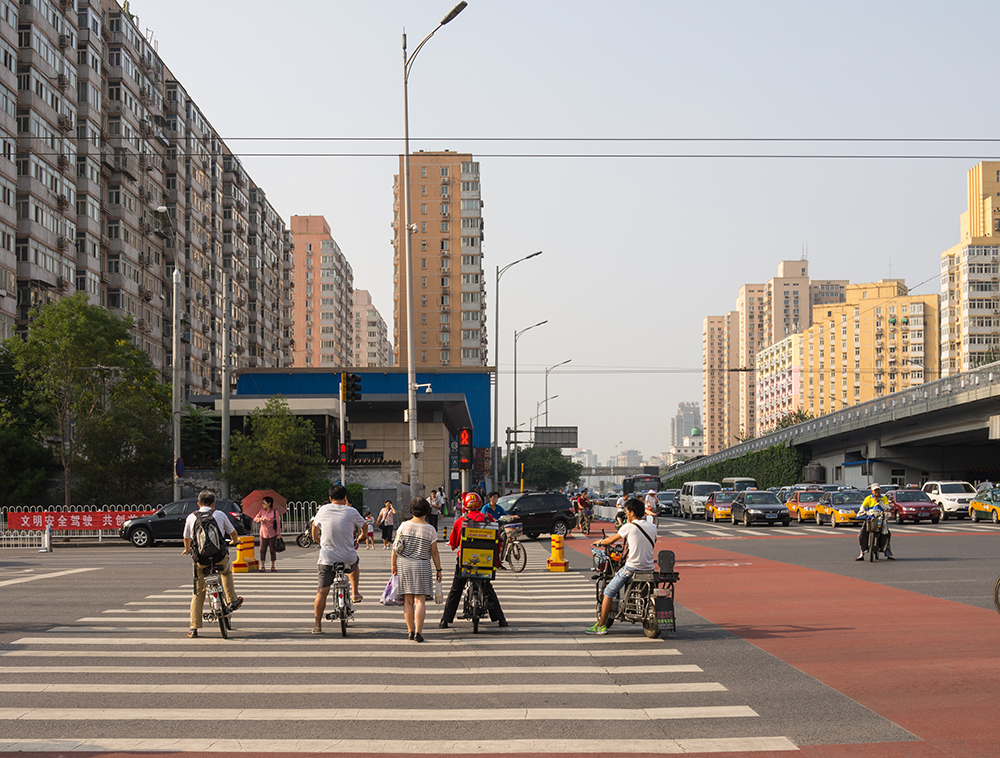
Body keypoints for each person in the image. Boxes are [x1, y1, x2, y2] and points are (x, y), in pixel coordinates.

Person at [586, 497, 656, 635]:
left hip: (632, 568)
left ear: (632, 513)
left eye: (627, 512)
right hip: (649, 568)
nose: (626, 515)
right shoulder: (653, 527)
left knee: (608, 592)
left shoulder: (629, 526)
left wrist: (599, 542)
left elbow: (611, 540)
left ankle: (601, 625)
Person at [439, 492, 508, 629]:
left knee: (456, 589)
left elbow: (454, 542)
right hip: (486, 562)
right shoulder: (488, 519)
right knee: (487, 587)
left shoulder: (460, 521)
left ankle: (445, 620)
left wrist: (453, 545)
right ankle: (501, 619)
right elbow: (498, 539)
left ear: (465, 506)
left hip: (465, 561)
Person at [182, 490, 244, 638]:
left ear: (198, 504)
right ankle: (232, 600)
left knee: (198, 593)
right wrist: (235, 541)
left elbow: (186, 538)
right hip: (219, 557)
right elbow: (233, 533)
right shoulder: (220, 515)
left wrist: (187, 550)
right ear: (213, 504)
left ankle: (193, 628)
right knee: (226, 572)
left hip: (201, 560)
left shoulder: (191, 517)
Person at [311, 484, 366, 634]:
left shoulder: (323, 510)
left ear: (330, 498)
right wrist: (362, 537)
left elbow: (314, 528)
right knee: (354, 564)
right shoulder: (352, 511)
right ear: (345, 498)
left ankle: (317, 625)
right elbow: (364, 527)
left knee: (322, 591)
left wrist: (317, 539)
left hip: (327, 558)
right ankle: (355, 593)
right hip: (348, 558)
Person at [391, 497, 443, 642]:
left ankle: (410, 631)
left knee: (408, 601)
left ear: (411, 510)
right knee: (420, 601)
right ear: (427, 511)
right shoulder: (430, 529)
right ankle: (419, 632)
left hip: (404, 565)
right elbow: (434, 553)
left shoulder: (403, 526)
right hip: (422, 565)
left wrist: (393, 564)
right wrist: (439, 570)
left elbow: (395, 547)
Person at [857, 483, 894, 561]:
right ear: (872, 491)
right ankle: (862, 554)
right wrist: (862, 511)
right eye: (875, 490)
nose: (877, 492)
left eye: (878, 490)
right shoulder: (868, 498)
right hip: (870, 519)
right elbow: (863, 506)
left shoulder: (884, 498)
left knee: (886, 534)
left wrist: (879, 502)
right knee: (862, 534)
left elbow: (887, 507)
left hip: (880, 519)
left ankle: (888, 554)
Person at [253, 496, 282, 572]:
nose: (262, 504)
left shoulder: (275, 512)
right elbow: (255, 518)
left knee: (272, 550)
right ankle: (263, 566)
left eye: (264, 503)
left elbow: (278, 523)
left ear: (269, 503)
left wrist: (278, 533)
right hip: (263, 533)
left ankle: (273, 566)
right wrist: (261, 519)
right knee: (262, 550)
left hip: (272, 533)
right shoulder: (262, 511)